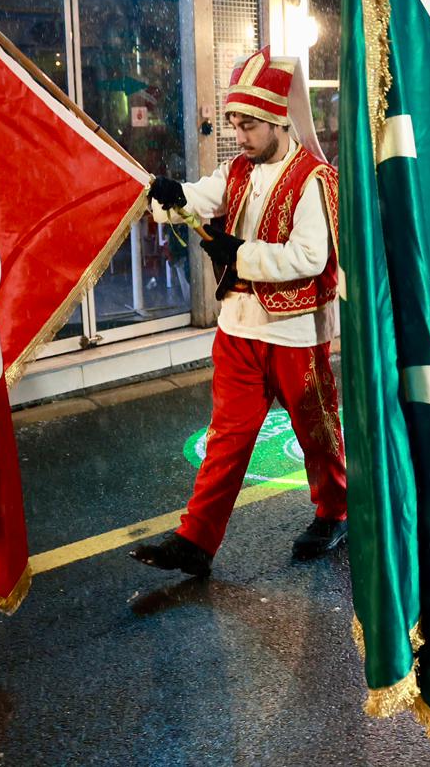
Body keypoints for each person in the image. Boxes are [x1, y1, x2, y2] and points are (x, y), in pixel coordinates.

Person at [131, 47, 347, 577]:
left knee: (317, 434)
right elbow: (194, 201)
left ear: (277, 119)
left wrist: (238, 253)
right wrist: (166, 195)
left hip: (298, 332)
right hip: (238, 330)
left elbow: (310, 257)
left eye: (249, 125)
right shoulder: (236, 170)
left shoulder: (314, 178)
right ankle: (196, 541)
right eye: (234, 124)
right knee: (226, 438)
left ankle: (337, 509)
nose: (240, 135)